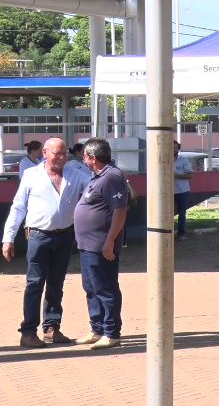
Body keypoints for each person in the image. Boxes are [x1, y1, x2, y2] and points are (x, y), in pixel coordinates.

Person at [2, 138, 88, 348]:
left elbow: (94, 186)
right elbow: (18, 207)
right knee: (34, 284)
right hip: (39, 237)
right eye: (56, 154)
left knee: (56, 284)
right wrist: (8, 237)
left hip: (64, 237)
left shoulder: (75, 175)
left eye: (64, 154)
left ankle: (51, 327)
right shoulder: (32, 175)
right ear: (45, 153)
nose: (61, 158)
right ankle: (28, 332)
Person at [73, 138, 128, 350]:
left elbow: (120, 210)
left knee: (105, 288)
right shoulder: (98, 176)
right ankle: (97, 329)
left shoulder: (111, 177)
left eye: (85, 156)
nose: (83, 159)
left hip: (101, 245)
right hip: (87, 245)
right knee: (91, 288)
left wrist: (110, 241)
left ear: (93, 158)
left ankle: (112, 332)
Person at [173, 141, 193, 241]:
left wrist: (177, 175)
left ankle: (181, 234)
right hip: (168, 192)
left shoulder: (183, 160)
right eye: (173, 147)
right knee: (167, 213)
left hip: (182, 191)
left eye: (177, 148)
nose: (175, 149)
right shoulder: (164, 160)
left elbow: (190, 175)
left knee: (181, 213)